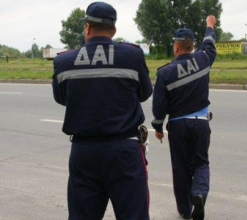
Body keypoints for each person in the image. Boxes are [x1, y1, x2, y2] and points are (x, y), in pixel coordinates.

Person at [52, 2, 153, 220]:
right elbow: (145, 93)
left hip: (83, 153)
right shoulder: (132, 56)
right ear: (114, 30)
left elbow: (61, 99)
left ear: (87, 28)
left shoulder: (63, 61)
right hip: (125, 151)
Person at [151, 15, 217, 220]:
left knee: (180, 169)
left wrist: (158, 126)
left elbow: (159, 105)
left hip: (178, 127)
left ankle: (184, 209)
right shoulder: (204, 59)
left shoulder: (165, 73)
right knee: (200, 163)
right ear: (191, 46)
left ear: (177, 47)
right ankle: (199, 193)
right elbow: (210, 44)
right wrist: (209, 26)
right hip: (201, 124)